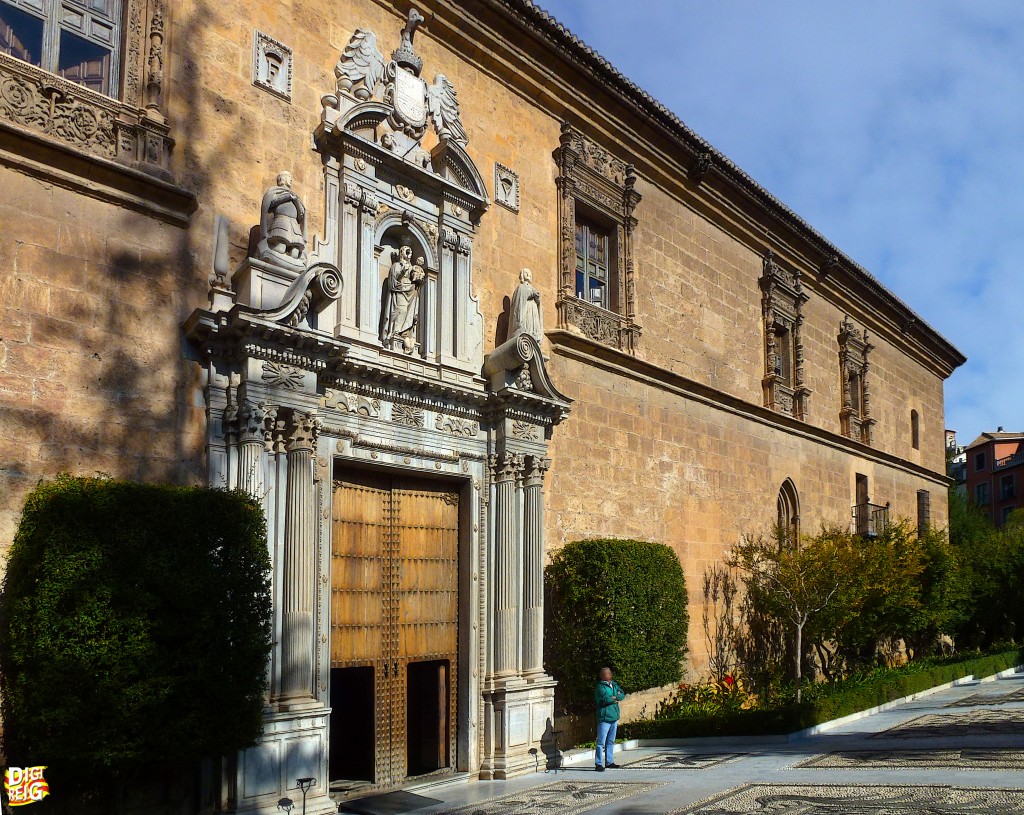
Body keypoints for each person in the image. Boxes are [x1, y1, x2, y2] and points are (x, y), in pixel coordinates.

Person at [594, 666, 625, 771]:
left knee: (611, 741)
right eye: (605, 673)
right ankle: (598, 763)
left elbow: (622, 694)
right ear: (602, 676)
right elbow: (605, 698)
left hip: (614, 716)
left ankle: (609, 761)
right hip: (605, 717)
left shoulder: (614, 685)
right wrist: (615, 698)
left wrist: (615, 697)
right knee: (601, 742)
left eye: (609, 673)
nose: (607, 675)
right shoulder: (600, 687)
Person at [508, 267, 543, 343]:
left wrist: (537, 299)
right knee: (527, 326)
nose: (528, 274)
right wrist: (531, 293)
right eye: (526, 273)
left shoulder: (533, 289)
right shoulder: (521, 287)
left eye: (530, 273)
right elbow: (519, 303)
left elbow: (538, 304)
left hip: (533, 312)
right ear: (522, 276)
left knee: (532, 328)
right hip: (526, 311)